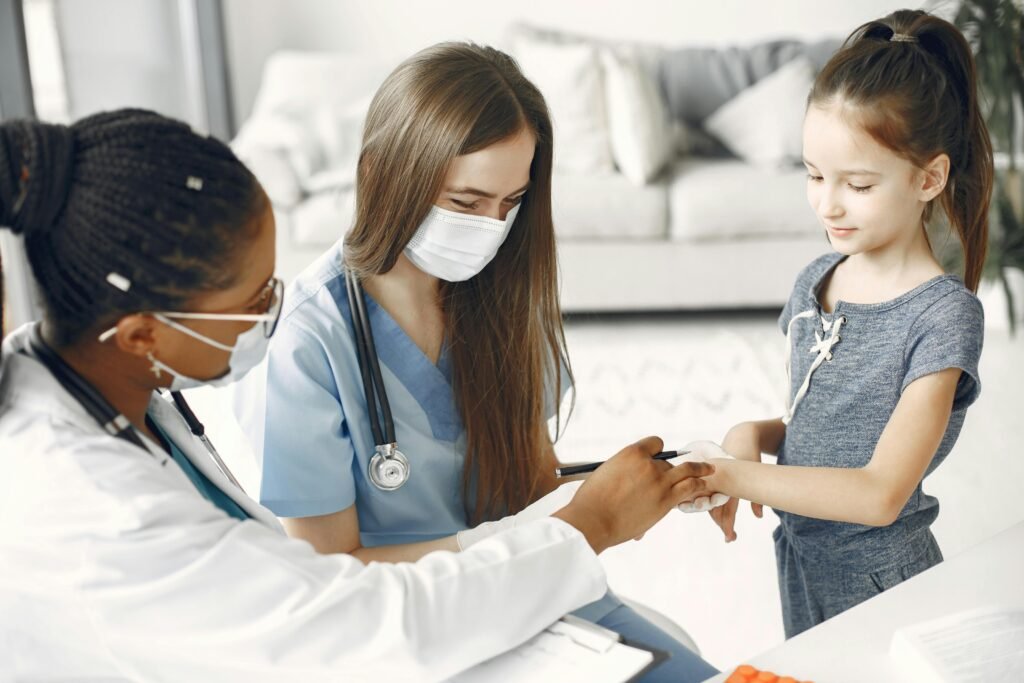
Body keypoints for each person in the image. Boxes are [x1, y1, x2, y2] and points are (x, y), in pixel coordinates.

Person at [0, 110, 716, 680]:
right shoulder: (96, 512)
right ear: (141, 335)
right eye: (253, 301)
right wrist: (585, 525)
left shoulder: (106, 387)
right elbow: (370, 622)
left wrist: (570, 511)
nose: (274, 312)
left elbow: (295, 585)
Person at [234, 42, 719, 681]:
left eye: (511, 203)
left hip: (536, 598)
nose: (491, 228)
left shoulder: (503, 296)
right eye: (466, 203)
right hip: (410, 633)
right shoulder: (305, 343)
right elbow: (332, 575)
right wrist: (540, 537)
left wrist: (664, 481)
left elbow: (530, 490)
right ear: (384, 173)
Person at [689, 9, 991, 638]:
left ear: (928, 178)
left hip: (882, 582)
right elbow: (820, 424)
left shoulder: (943, 317)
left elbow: (880, 492)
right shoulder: (816, 280)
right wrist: (754, 432)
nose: (827, 203)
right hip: (802, 561)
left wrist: (735, 476)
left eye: (856, 183)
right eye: (814, 175)